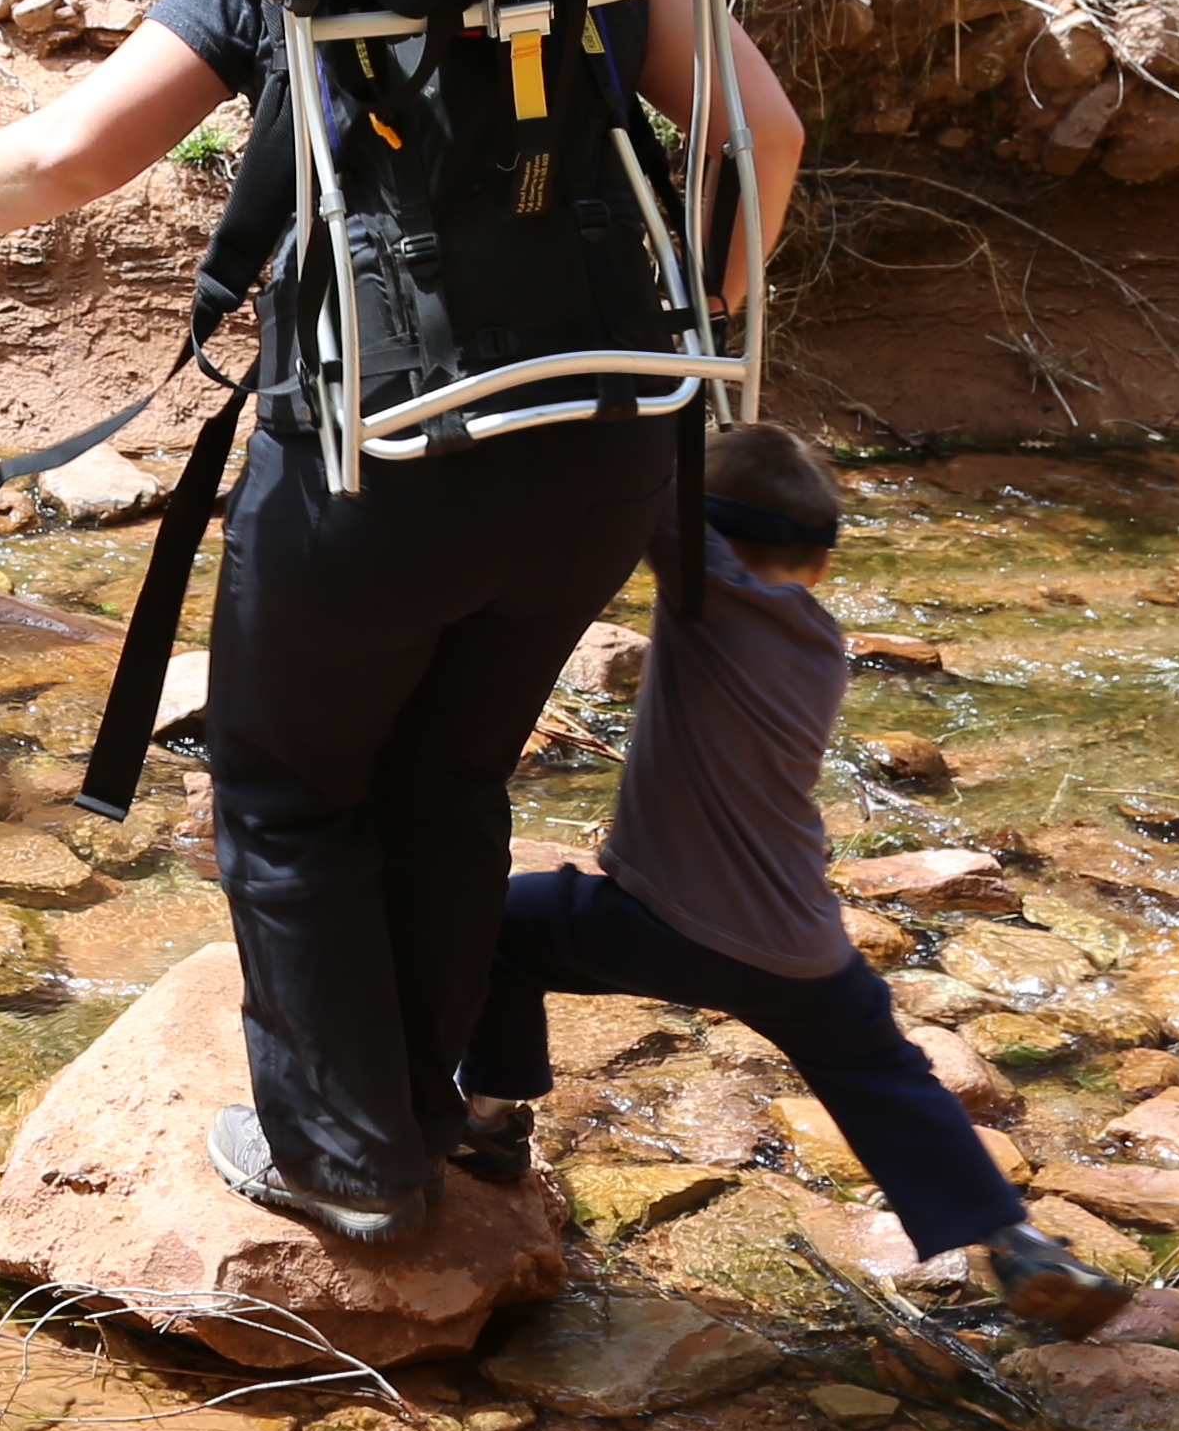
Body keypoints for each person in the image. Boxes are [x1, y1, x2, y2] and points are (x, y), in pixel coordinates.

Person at [0, 0, 797, 1249]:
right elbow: (764, 139)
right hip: (603, 453)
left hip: (376, 457)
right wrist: (686, 325)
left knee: (290, 793)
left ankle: (346, 1157)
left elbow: (72, 150)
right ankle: (435, 1109)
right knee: (454, 776)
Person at [455, 424, 1139, 1331]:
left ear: (716, 544)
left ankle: (493, 1122)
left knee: (488, 924)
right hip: (805, 947)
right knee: (884, 1078)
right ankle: (1015, 1244)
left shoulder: (709, 596)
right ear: (817, 567)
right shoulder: (820, 645)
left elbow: (638, 481)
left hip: (663, 922)